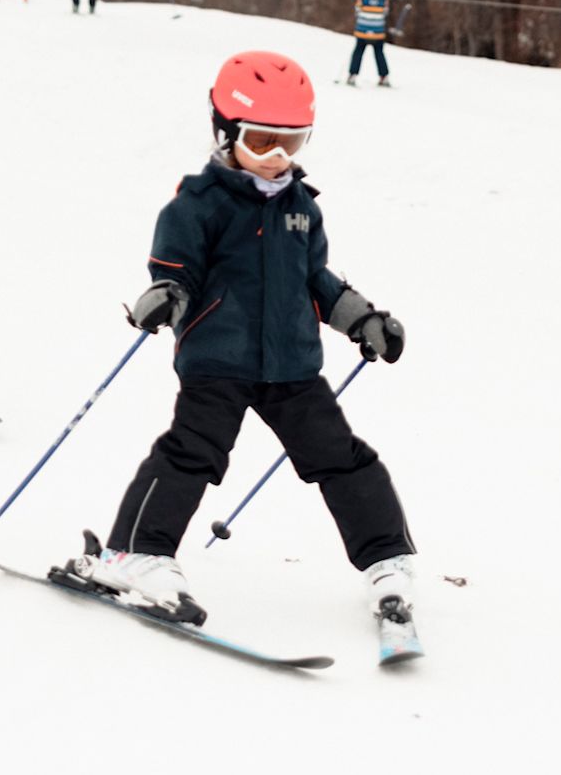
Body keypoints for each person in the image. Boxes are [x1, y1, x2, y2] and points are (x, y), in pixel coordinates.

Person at [60, 49, 415, 629]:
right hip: (216, 360)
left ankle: (386, 559)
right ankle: (136, 553)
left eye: (292, 143)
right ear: (224, 132)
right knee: (192, 453)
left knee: (339, 456)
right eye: (261, 141)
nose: (277, 158)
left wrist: (361, 319)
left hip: (293, 365)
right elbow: (175, 272)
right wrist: (167, 296)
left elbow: (316, 281)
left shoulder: (303, 208)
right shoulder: (197, 203)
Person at [346, 0, 391, 86]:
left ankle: (352, 75)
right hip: (378, 34)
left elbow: (357, 10)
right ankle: (384, 77)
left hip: (362, 32)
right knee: (379, 54)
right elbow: (385, 12)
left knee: (358, 52)